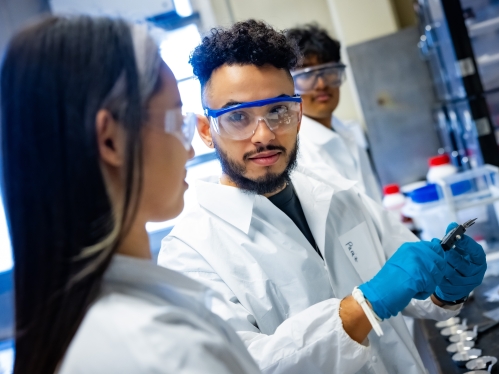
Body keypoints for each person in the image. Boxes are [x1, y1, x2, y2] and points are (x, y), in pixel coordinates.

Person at [158, 20, 487, 374]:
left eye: (277, 111)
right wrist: (362, 308)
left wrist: (447, 287)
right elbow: (237, 366)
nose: (263, 135)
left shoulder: (335, 191)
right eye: (238, 116)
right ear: (207, 130)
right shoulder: (189, 255)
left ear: (297, 115)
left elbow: (413, 289)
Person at [0, 16, 260, 374]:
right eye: (175, 121)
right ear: (111, 140)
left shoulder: (81, 324)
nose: (188, 150)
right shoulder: (162, 351)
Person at [286, 24, 382, 203]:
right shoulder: (296, 154)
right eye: (307, 74)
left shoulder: (348, 134)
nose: (322, 84)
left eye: (329, 71)